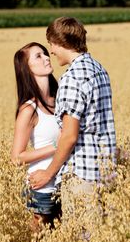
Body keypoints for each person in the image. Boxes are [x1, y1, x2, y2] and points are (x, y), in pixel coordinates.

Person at [29, 17, 116, 224]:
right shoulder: (99, 70)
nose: (51, 51)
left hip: (82, 176)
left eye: (51, 44)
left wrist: (48, 174)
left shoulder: (71, 78)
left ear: (61, 42)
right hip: (106, 173)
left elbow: (69, 136)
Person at [11, 42, 60, 231]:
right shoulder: (29, 109)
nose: (47, 57)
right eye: (38, 56)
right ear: (27, 68)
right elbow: (16, 157)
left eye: (45, 53)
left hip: (64, 182)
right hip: (42, 188)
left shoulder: (60, 99)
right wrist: (56, 147)